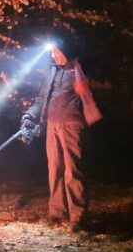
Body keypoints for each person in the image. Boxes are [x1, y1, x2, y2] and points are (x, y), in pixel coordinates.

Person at [21, 38, 102, 232]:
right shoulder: (52, 72)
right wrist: (29, 116)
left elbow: (96, 86)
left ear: (64, 52)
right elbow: (42, 98)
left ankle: (78, 216)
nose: (52, 55)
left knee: (73, 170)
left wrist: (87, 86)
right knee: (54, 169)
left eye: (55, 51)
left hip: (72, 125)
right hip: (52, 125)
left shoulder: (79, 70)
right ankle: (56, 212)